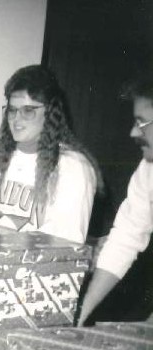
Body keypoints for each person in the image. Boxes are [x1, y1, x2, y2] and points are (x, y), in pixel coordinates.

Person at [0, 65, 100, 245]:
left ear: (50, 112)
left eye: (28, 110)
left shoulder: (73, 166)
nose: (16, 119)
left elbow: (67, 244)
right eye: (12, 110)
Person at [77, 74, 153, 325]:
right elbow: (126, 239)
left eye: (141, 123)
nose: (133, 132)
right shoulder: (147, 170)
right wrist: (80, 315)